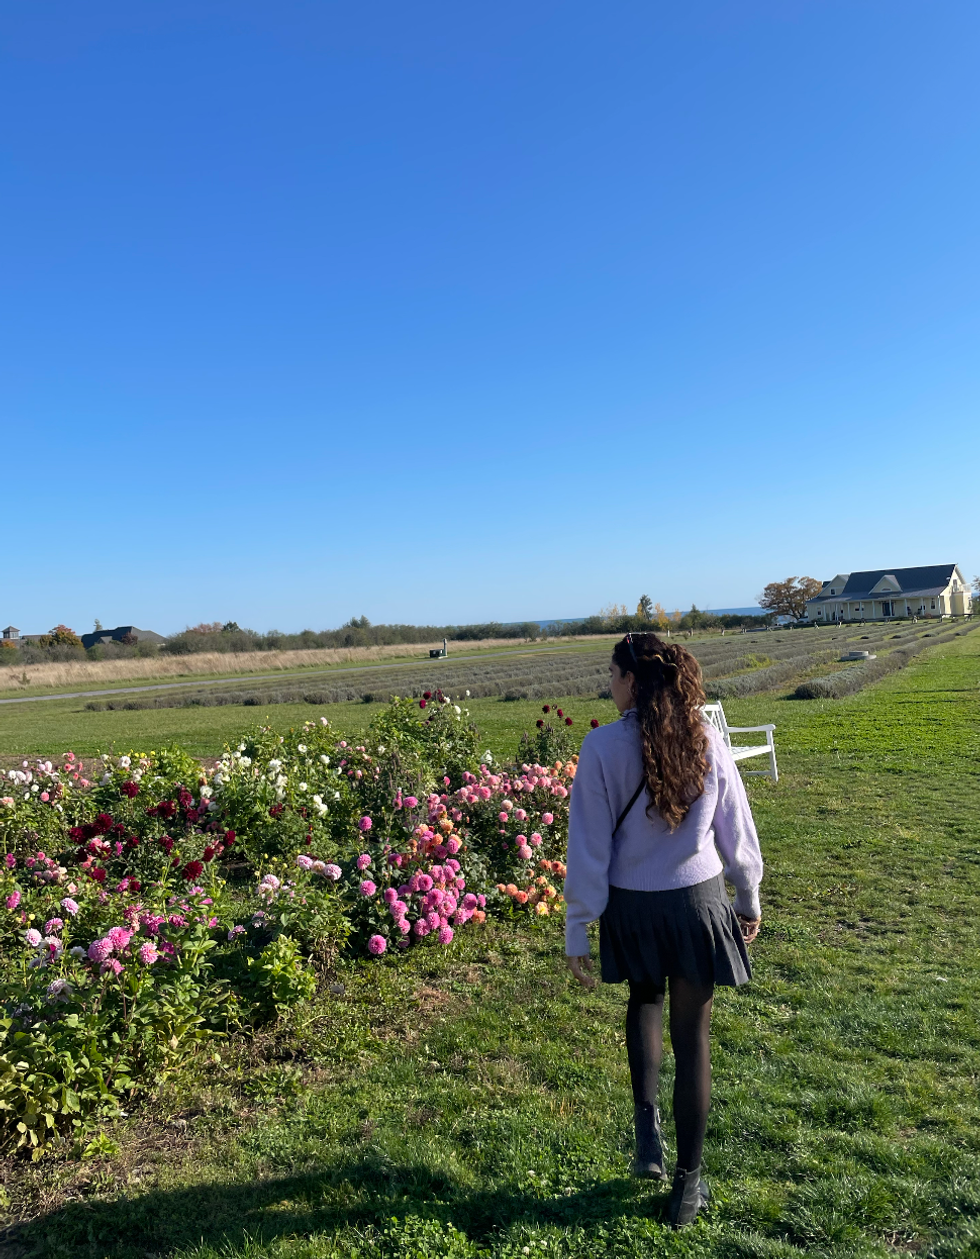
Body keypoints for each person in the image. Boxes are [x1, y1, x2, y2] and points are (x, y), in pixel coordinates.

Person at [564, 632, 763, 1228]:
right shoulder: (706, 738)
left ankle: (647, 1133)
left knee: (644, 1000)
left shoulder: (600, 747)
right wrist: (747, 896)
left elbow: (588, 846)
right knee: (693, 1040)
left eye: (612, 674)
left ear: (633, 681)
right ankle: (688, 1185)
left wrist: (580, 926)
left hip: (632, 906)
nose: (609, 684)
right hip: (698, 904)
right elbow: (737, 825)